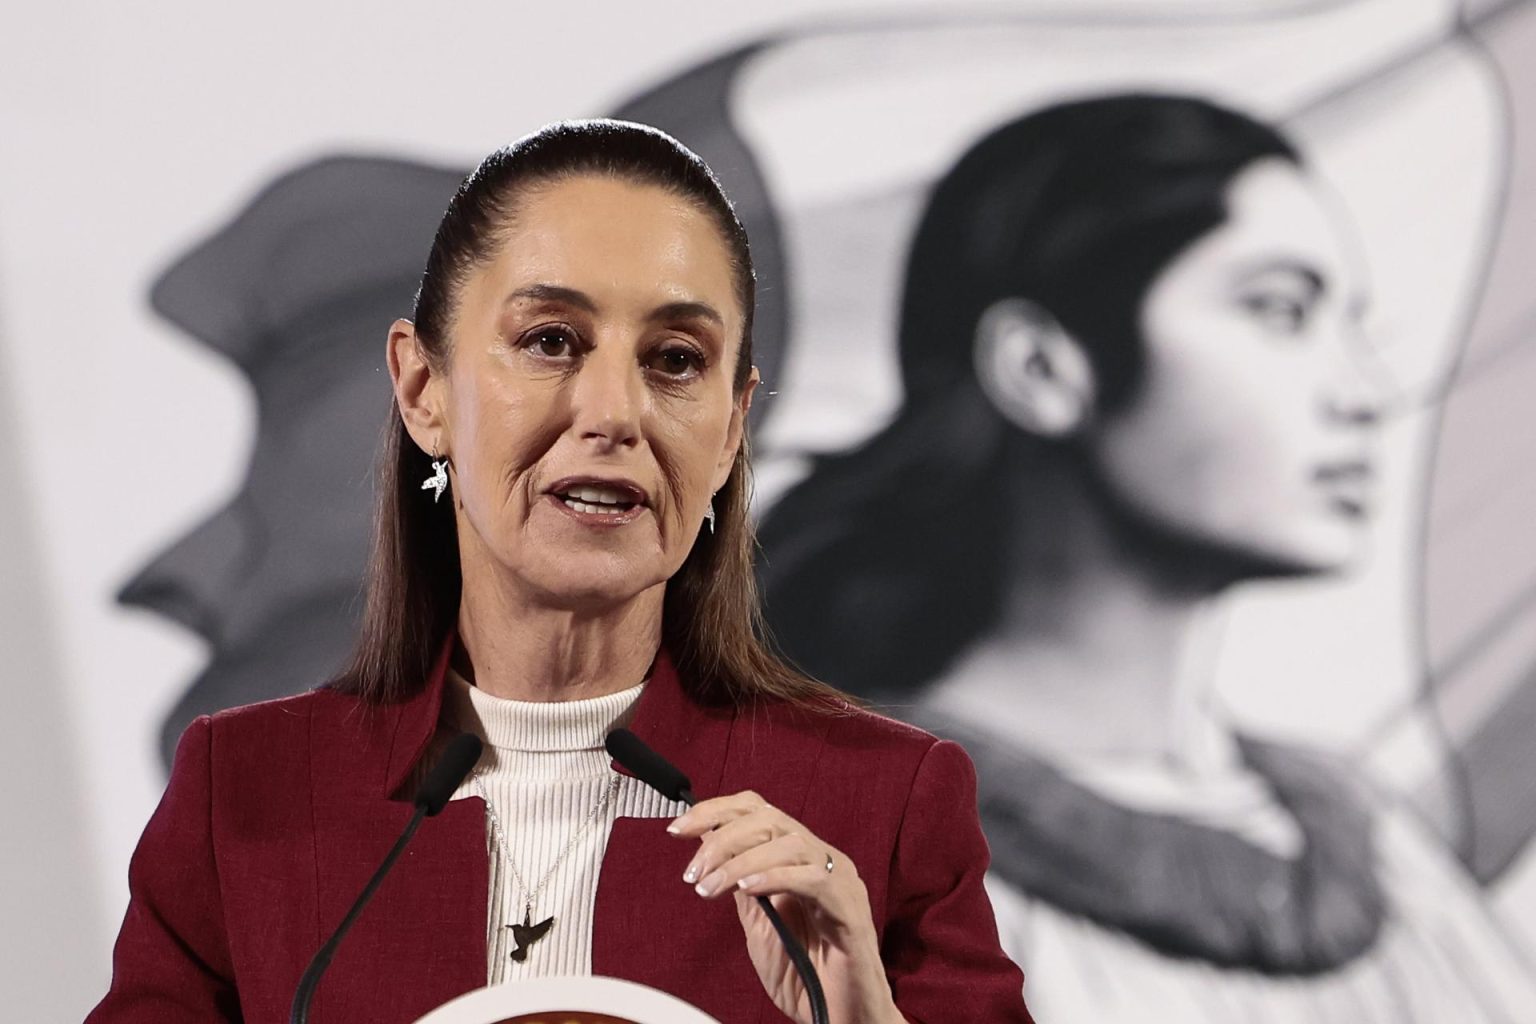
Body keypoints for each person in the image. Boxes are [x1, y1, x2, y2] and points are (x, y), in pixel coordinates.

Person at [87, 120, 1032, 1024]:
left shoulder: (885, 803)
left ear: (732, 429)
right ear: (424, 392)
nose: (614, 412)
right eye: (549, 341)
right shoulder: (244, 796)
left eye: (675, 359)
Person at [759, 94, 1536, 1022]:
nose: (1365, 392)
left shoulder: (1383, 851)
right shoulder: (841, 855)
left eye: (1351, 324)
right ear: (1041, 370)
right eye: (1280, 310)